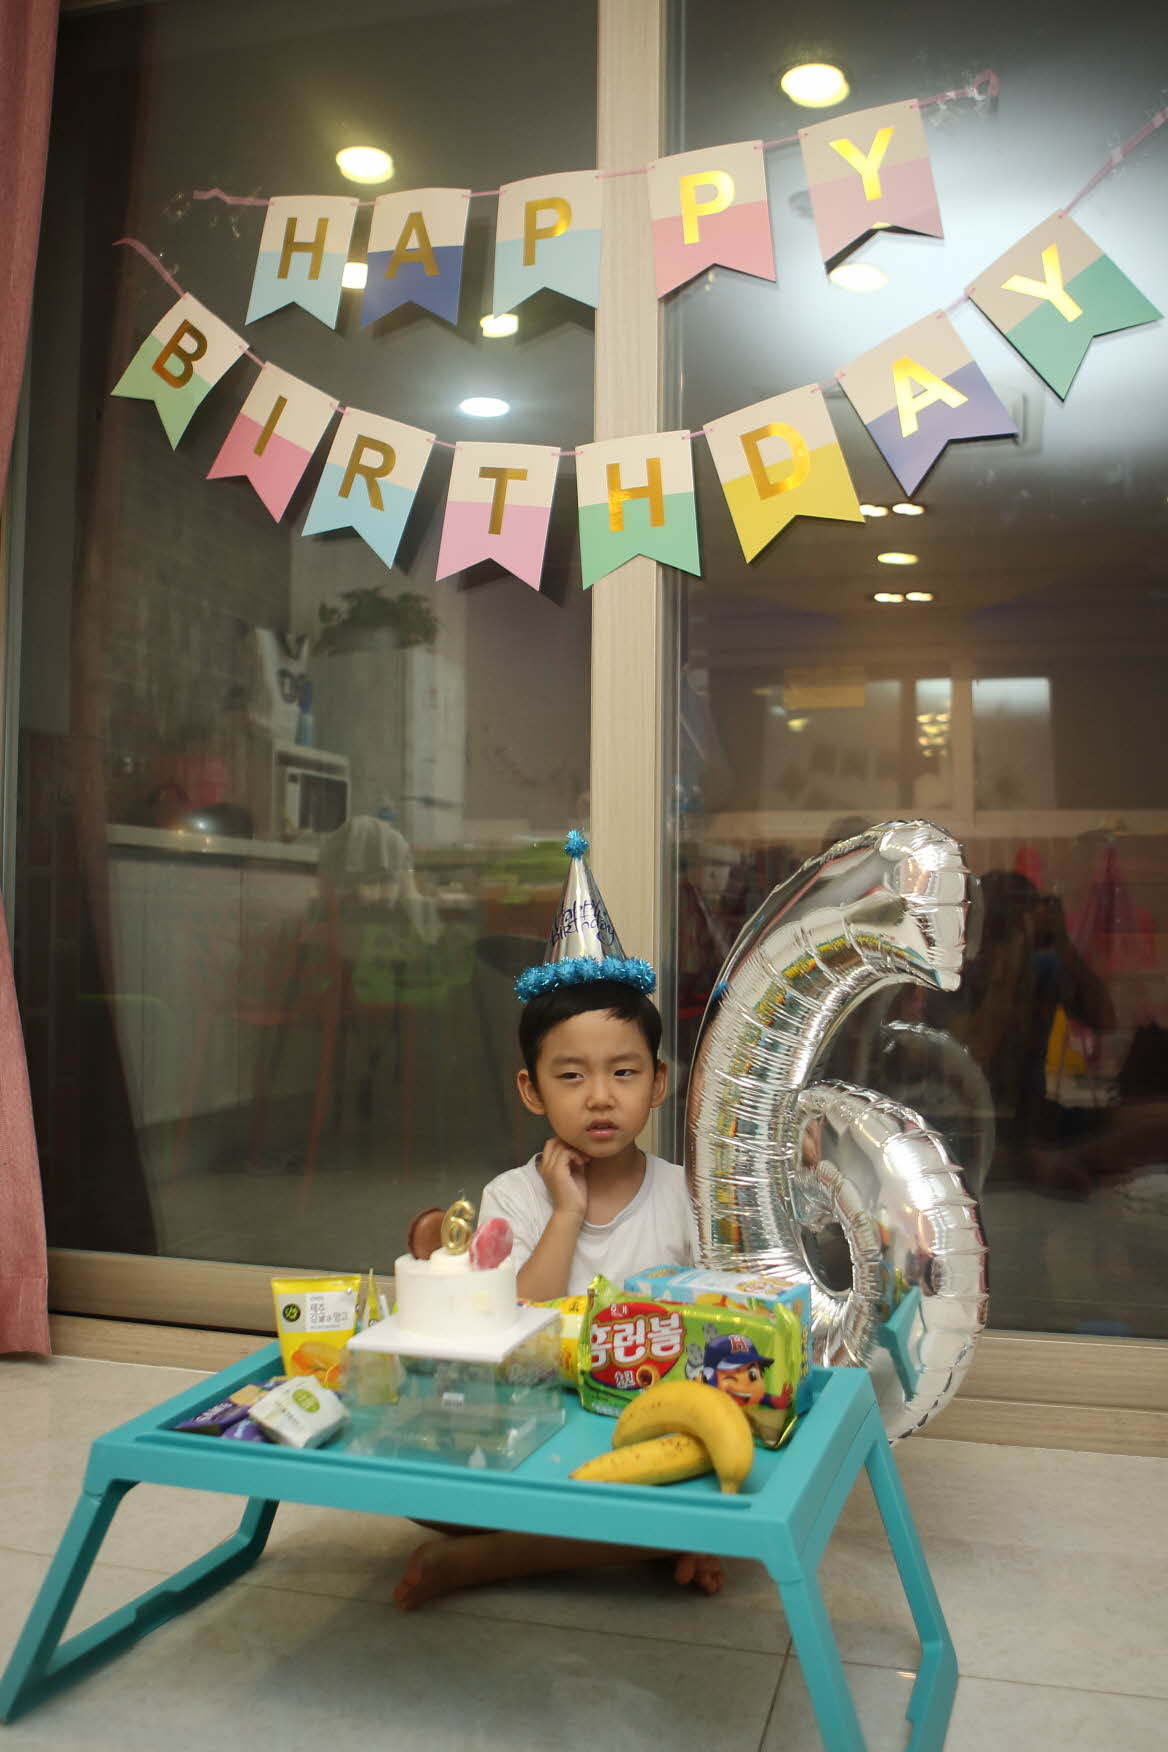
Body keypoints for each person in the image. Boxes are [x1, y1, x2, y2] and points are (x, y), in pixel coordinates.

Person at [393, 834, 721, 1610]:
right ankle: (650, 1540)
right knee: (419, 1489)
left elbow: (720, 1328)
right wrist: (566, 1214)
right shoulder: (513, 1198)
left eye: (623, 1072)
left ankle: (489, 1561)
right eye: (571, 1076)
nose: (600, 1097)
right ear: (532, 1090)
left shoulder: (686, 1196)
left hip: (646, 1425)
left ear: (659, 1082)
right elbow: (513, 1319)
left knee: (727, 1463)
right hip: (537, 1417)